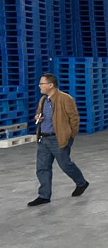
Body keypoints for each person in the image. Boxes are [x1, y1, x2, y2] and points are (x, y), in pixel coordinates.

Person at [28, 74, 89, 207]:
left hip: (58, 138)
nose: (39, 86)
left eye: (42, 83)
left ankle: (81, 183)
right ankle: (44, 196)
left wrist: (70, 135)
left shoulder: (65, 99)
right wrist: (38, 117)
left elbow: (74, 118)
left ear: (51, 85)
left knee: (65, 165)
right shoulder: (43, 100)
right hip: (43, 138)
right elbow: (39, 114)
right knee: (42, 168)